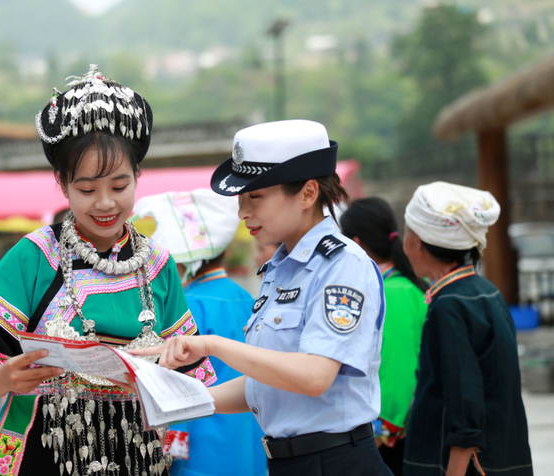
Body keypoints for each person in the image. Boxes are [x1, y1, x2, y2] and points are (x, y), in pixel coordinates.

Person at [0, 65, 216, 476]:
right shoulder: (36, 256)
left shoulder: (157, 265)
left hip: (139, 456)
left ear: (138, 177)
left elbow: (191, 376)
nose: (105, 203)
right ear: (62, 184)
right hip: (46, 454)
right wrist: (7, 377)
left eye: (119, 187)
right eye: (86, 190)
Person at [131, 120, 391, 476]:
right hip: (289, 463)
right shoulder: (281, 268)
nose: (242, 212)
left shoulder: (342, 265)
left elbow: (314, 377)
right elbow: (266, 387)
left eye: (255, 197)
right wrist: (172, 399)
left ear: (307, 193)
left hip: (334, 462)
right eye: (240, 199)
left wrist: (212, 346)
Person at [400, 182, 533, 476]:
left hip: (466, 467)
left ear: (419, 241)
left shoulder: (449, 306)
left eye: (407, 232)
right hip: (503, 458)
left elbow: (464, 403)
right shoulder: (485, 291)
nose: (404, 242)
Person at [132, 189, 267, 476]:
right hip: (249, 441)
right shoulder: (248, 298)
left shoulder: (187, 304)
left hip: (202, 449)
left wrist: (169, 447)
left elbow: (174, 383)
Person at [340, 198, 429, 476]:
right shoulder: (400, 286)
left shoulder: (393, 293)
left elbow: (398, 370)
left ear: (357, 243)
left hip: (395, 434)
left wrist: (382, 429)